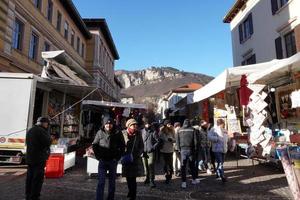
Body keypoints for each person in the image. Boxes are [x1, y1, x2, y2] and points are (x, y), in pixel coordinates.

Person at [92, 117, 125, 200]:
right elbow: (95, 145)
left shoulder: (118, 132)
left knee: (112, 182)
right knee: (101, 182)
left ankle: (110, 198)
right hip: (102, 161)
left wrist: (117, 158)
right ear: (104, 124)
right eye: (107, 123)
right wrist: (98, 157)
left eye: (110, 124)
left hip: (113, 161)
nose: (108, 125)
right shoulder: (100, 132)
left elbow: (122, 146)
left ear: (113, 124)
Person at [25, 117, 51, 200]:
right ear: (44, 123)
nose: (47, 125)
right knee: (37, 178)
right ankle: (34, 196)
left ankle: (28, 195)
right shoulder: (41, 131)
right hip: (39, 159)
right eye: (47, 123)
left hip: (30, 158)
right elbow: (47, 142)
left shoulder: (31, 130)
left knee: (30, 177)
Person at [122, 119, 144, 200]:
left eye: (136, 125)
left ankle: (133, 195)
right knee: (128, 177)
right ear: (128, 125)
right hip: (126, 158)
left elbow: (141, 146)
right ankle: (130, 191)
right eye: (133, 125)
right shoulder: (123, 133)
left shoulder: (138, 134)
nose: (135, 126)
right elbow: (119, 144)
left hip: (135, 158)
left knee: (133, 178)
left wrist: (138, 154)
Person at [176, 119, 199, 189]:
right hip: (191, 150)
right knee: (192, 165)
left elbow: (177, 141)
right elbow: (195, 141)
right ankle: (194, 179)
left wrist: (179, 149)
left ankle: (184, 182)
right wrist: (195, 149)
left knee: (183, 166)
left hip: (183, 150)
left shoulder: (179, 130)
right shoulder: (193, 130)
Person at [141, 117, 160, 188]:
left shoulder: (153, 131)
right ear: (144, 124)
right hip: (143, 152)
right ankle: (147, 178)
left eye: (148, 124)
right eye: (146, 124)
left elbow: (158, 141)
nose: (147, 125)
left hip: (151, 152)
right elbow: (140, 141)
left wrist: (153, 148)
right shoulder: (141, 131)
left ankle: (152, 180)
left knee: (151, 166)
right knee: (145, 166)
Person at [159, 119, 175, 184]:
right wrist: (168, 139)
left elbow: (175, 139)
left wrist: (172, 140)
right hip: (164, 149)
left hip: (170, 149)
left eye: (170, 124)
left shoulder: (172, 130)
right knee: (165, 164)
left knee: (170, 164)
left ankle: (170, 174)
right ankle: (167, 176)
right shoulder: (162, 130)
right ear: (165, 125)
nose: (169, 125)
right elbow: (161, 137)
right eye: (168, 124)